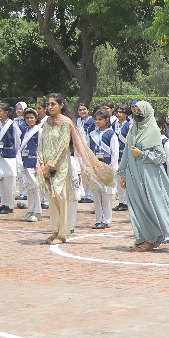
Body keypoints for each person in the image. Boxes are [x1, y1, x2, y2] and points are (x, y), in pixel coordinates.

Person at [37, 93, 113, 245]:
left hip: (61, 166)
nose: (50, 107)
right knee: (52, 199)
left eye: (53, 104)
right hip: (45, 165)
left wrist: (50, 165)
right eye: (48, 104)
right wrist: (40, 162)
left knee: (61, 197)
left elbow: (63, 145)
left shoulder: (66, 123)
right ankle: (55, 230)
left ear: (61, 105)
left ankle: (63, 233)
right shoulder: (47, 123)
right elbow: (42, 143)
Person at [118, 101, 169, 251]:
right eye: (135, 110)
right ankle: (142, 237)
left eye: (140, 110)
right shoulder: (132, 131)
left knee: (151, 205)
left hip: (149, 175)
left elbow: (160, 157)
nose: (137, 113)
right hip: (133, 174)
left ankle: (152, 238)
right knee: (137, 205)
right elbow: (126, 153)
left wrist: (142, 153)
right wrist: (123, 173)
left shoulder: (154, 131)